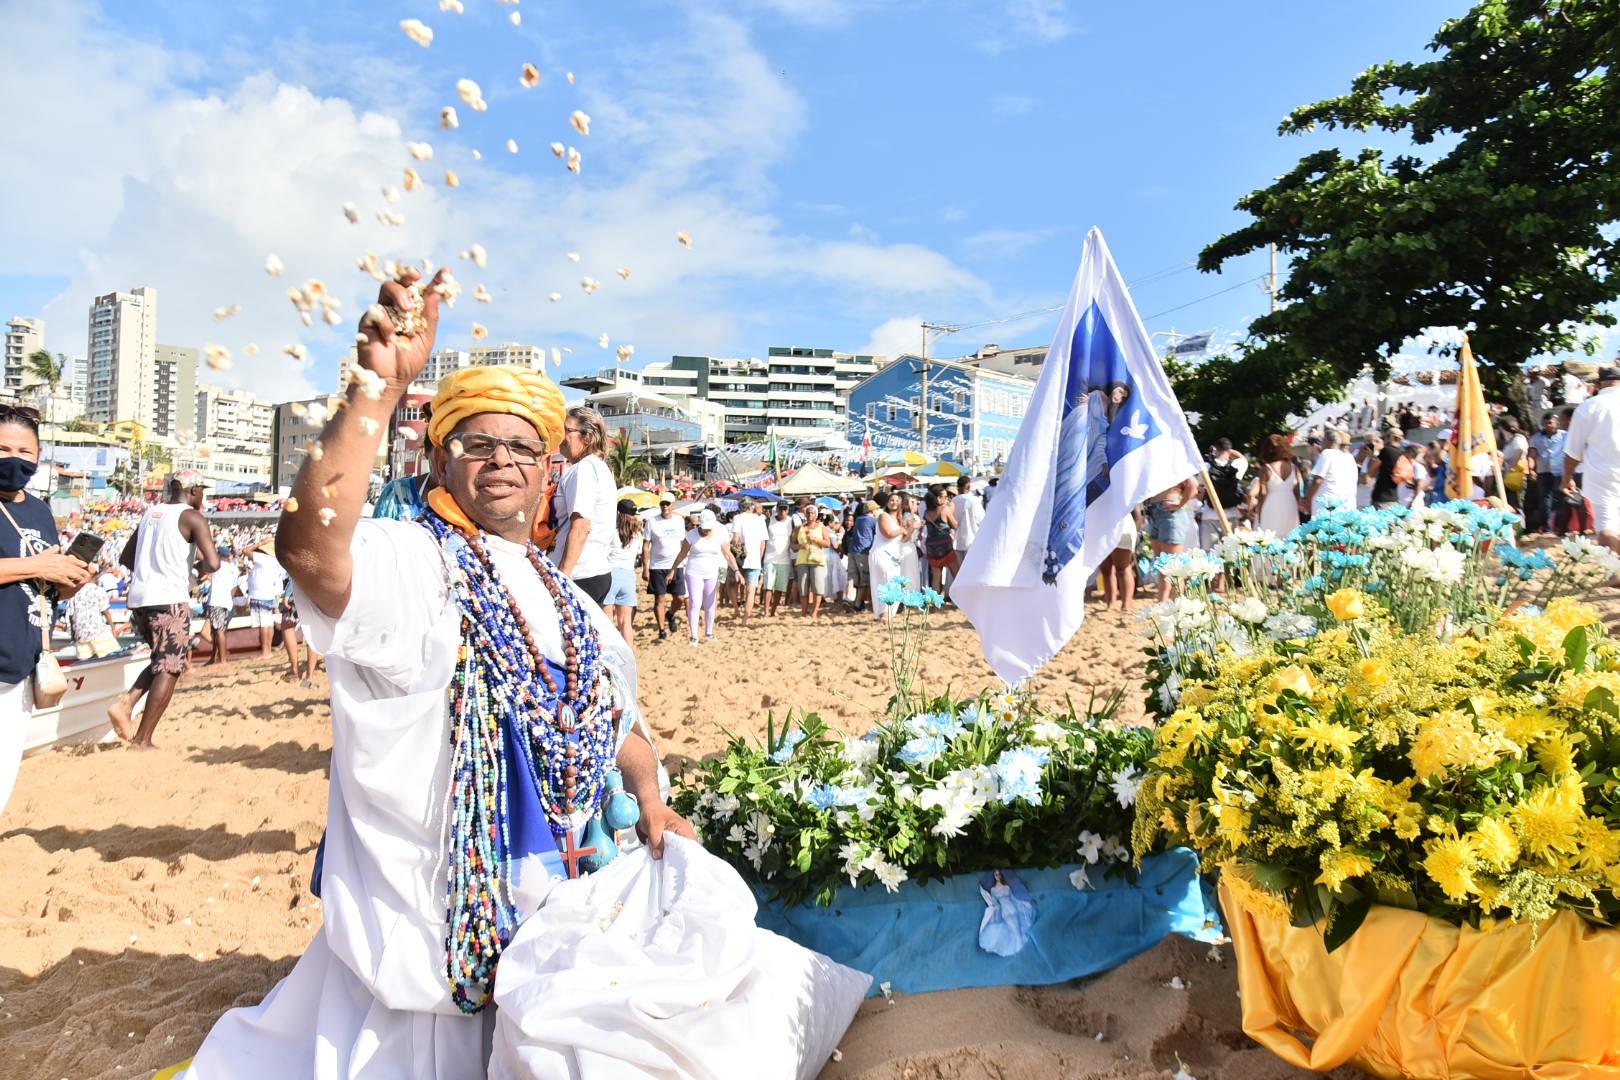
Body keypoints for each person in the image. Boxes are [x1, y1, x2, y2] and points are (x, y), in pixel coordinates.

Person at [177, 273, 692, 1078]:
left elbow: (615, 717)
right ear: (438, 457)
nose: (501, 462)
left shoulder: (572, 601)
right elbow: (313, 554)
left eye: (522, 447)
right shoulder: (413, 559)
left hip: (566, 905)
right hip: (440, 923)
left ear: (548, 473)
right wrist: (378, 389)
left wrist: (653, 802)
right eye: (476, 444)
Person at [0, 404, 91, 819]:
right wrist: (40, 565)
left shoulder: (39, 511)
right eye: (2, 449)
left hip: (22, 668)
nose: (14, 459)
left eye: (25, 452)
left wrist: (67, 583)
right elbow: (35, 566)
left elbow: (43, 592)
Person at [109, 470, 220, 750]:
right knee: (171, 667)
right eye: (202, 490)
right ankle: (142, 739)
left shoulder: (150, 514)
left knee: (162, 660)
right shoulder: (192, 517)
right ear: (191, 489)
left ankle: (128, 703)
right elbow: (214, 563)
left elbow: (125, 557)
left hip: (141, 599)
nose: (203, 495)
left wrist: (154, 569)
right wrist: (199, 571)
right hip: (169, 598)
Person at [551, 406, 616, 606]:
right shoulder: (599, 467)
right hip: (595, 570)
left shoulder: (584, 469)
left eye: (566, 431)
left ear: (587, 437)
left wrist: (562, 579)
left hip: (579, 573)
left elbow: (581, 527)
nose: (561, 436)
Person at [1562, 364, 1620, 567]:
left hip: (1602, 474)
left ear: (1598, 384)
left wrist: (1566, 477)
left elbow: (1573, 451)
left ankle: (1615, 572)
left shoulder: (1588, 407)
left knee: (1607, 524)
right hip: (1605, 473)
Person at [671, 509, 737, 644]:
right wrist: (672, 569)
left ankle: (709, 632)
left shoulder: (719, 534)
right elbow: (682, 554)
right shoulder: (692, 535)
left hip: (712, 572)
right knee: (695, 603)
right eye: (704, 528)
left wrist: (736, 570)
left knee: (711, 603)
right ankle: (694, 635)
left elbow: (728, 554)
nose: (706, 531)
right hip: (694, 571)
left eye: (709, 528)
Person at [641, 495, 686, 641]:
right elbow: (646, 546)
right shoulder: (652, 522)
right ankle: (661, 629)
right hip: (657, 566)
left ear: (673, 505)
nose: (665, 506)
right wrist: (645, 568)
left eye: (667, 504)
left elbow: (682, 543)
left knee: (679, 598)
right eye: (662, 504)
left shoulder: (679, 521)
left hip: (676, 565)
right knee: (660, 599)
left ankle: (671, 614)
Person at [1144, 477, 1197, 601]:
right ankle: (1162, 602)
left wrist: (1180, 504)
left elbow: (1193, 485)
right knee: (1163, 564)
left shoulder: (1174, 459)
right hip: (1154, 511)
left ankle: (1177, 604)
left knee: (1174, 566)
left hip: (1168, 511)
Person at [869, 491, 917, 620]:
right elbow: (888, 534)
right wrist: (903, 529)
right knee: (886, 581)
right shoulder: (883, 516)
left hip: (894, 555)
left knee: (893, 582)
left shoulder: (900, 518)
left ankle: (885, 613)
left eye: (897, 500)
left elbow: (903, 539)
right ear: (887, 503)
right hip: (881, 553)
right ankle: (884, 612)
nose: (894, 502)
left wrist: (911, 528)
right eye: (891, 500)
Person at [601, 498, 642, 645]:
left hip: (611, 574)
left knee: (607, 623)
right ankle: (630, 656)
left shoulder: (612, 532)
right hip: (628, 576)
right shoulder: (637, 535)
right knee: (626, 623)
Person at [1245, 434, 1302, 536]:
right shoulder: (1294, 468)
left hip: (1271, 504)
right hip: (1290, 503)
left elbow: (1263, 492)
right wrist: (1296, 505)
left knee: (1269, 535)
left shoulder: (1266, 468)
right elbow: (1297, 490)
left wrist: (1259, 510)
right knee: (1290, 536)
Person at [1527, 409, 1568, 534]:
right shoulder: (1536, 438)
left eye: (1550, 422)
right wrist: (1531, 470)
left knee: (1562, 500)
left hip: (1560, 472)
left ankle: (1561, 528)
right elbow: (1532, 455)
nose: (1547, 425)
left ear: (1557, 423)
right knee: (1545, 501)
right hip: (1544, 472)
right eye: (1545, 423)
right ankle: (1546, 528)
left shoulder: (1565, 436)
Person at [729, 497, 768, 625]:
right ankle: (745, 619)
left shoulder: (738, 518)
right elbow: (763, 543)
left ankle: (736, 609)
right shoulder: (760, 520)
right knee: (751, 590)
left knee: (732, 584)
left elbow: (735, 538)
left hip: (740, 557)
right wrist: (759, 557)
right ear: (752, 507)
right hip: (754, 558)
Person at [1303, 429, 1357, 519]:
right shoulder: (1350, 458)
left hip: (1328, 508)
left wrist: (1308, 500)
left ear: (1327, 441)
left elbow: (1318, 480)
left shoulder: (1327, 453)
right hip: (1347, 507)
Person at [246, 540, 285, 657]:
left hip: (259, 595)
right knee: (268, 624)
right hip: (268, 594)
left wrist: (258, 544)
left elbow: (245, 550)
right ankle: (267, 651)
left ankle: (265, 651)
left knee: (264, 625)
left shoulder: (263, 559)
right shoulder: (275, 562)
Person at [203, 547, 240, 666]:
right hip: (227, 602)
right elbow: (235, 588)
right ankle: (214, 658)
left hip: (216, 601)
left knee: (218, 631)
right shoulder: (234, 569)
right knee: (219, 631)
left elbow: (205, 572)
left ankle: (222, 659)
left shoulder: (217, 566)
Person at [794, 509, 833, 619]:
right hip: (802, 560)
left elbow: (827, 543)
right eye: (808, 513)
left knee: (817, 587)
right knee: (803, 588)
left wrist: (815, 539)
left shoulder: (821, 527)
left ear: (816, 515)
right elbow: (792, 545)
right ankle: (804, 612)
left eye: (812, 513)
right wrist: (800, 546)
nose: (810, 515)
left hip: (817, 560)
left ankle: (814, 612)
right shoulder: (799, 528)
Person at [1098, 509, 1140, 612]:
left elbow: (1136, 510)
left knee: (1122, 568)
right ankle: (1111, 603)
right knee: (1106, 569)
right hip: (1101, 526)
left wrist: (1138, 529)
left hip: (1122, 526)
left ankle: (1126, 605)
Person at [920, 488, 957, 593]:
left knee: (936, 575)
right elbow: (955, 525)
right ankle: (961, 600)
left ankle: (936, 605)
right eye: (945, 497)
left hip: (931, 544)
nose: (946, 499)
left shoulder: (927, 512)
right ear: (938, 498)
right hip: (945, 543)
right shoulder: (945, 509)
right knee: (956, 572)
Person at [844, 499, 878, 612]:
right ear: (872, 510)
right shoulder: (873, 521)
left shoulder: (858, 519)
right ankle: (858, 604)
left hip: (852, 550)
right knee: (864, 580)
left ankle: (847, 598)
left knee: (852, 577)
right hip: (863, 551)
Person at [762, 501, 794, 618]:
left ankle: (773, 610)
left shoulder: (791, 521)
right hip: (770, 558)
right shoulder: (769, 520)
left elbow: (794, 537)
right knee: (768, 586)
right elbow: (763, 539)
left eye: (785, 509)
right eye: (781, 509)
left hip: (785, 559)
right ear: (777, 509)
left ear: (788, 510)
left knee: (780, 587)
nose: (783, 511)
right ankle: (766, 611)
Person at [950, 477, 984, 577]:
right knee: (971, 571)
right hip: (972, 538)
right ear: (969, 486)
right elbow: (981, 520)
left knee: (957, 572)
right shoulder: (974, 500)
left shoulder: (953, 501)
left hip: (956, 539)